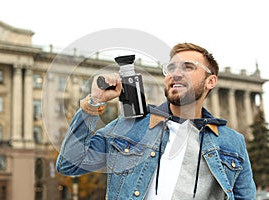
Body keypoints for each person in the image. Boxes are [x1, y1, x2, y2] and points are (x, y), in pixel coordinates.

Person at [56, 43, 256, 199]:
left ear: (211, 81)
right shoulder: (131, 127)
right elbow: (70, 164)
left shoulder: (232, 142)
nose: (175, 73)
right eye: (171, 68)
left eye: (188, 67)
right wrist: (94, 102)